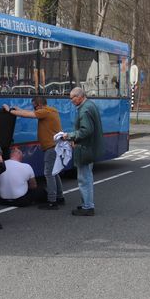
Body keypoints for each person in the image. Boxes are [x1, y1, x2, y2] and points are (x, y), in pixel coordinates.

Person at [3, 96, 66, 209]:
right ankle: (60, 197)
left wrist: (10, 111)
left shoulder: (45, 112)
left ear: (40, 105)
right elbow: (29, 112)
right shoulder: (51, 111)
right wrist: (18, 109)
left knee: (48, 173)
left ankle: (52, 201)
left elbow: (29, 115)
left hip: (51, 148)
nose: (34, 109)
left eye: (35, 106)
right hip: (55, 147)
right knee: (54, 172)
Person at [63, 87, 104, 216]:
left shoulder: (84, 110)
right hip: (90, 148)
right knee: (87, 177)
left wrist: (70, 136)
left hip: (85, 149)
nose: (71, 101)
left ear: (80, 96)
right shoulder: (90, 105)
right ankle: (87, 204)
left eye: (72, 98)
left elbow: (86, 131)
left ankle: (88, 207)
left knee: (84, 179)